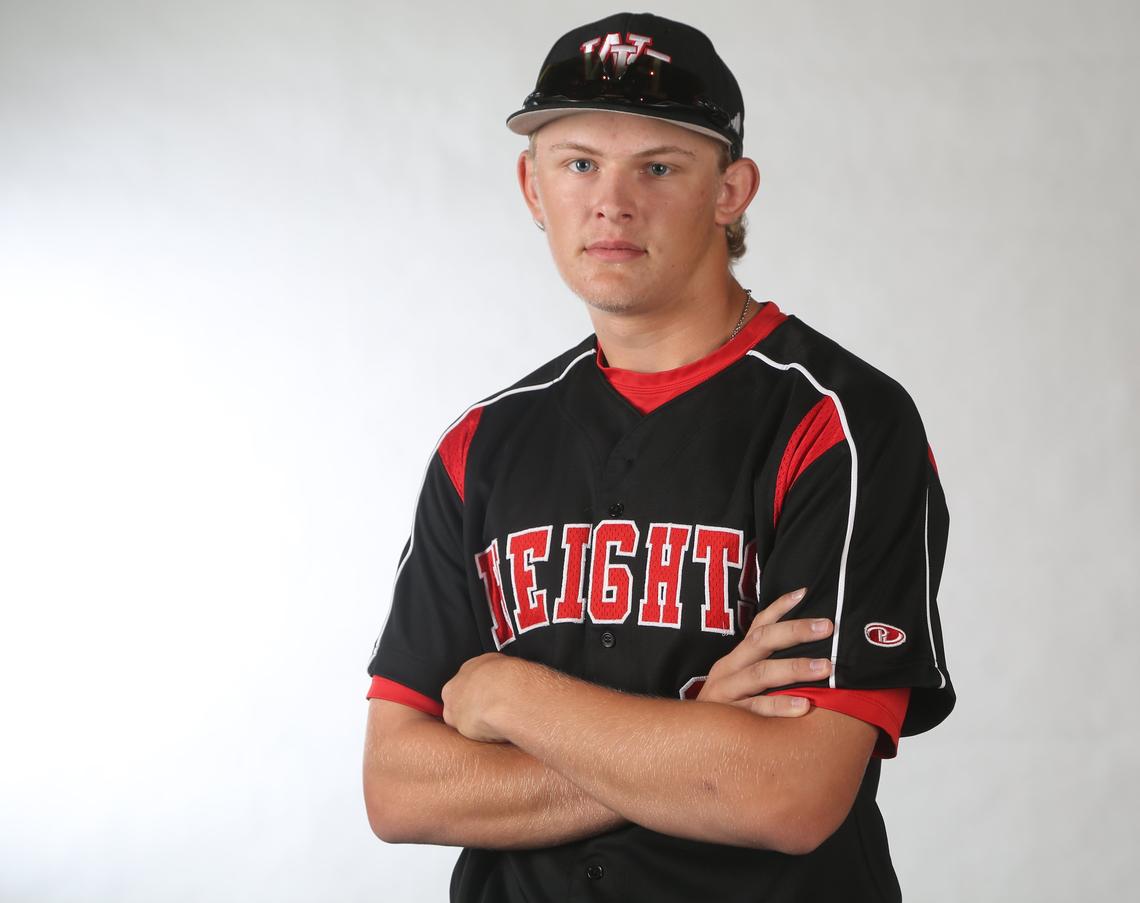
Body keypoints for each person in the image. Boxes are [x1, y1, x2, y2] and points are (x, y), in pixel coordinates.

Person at [362, 11, 954, 902]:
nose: (611, 202)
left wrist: (503, 695)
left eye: (660, 167)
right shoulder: (480, 443)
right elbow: (398, 787)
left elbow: (788, 793)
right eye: (578, 164)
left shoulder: (842, 420)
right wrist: (693, 735)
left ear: (730, 190)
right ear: (533, 187)